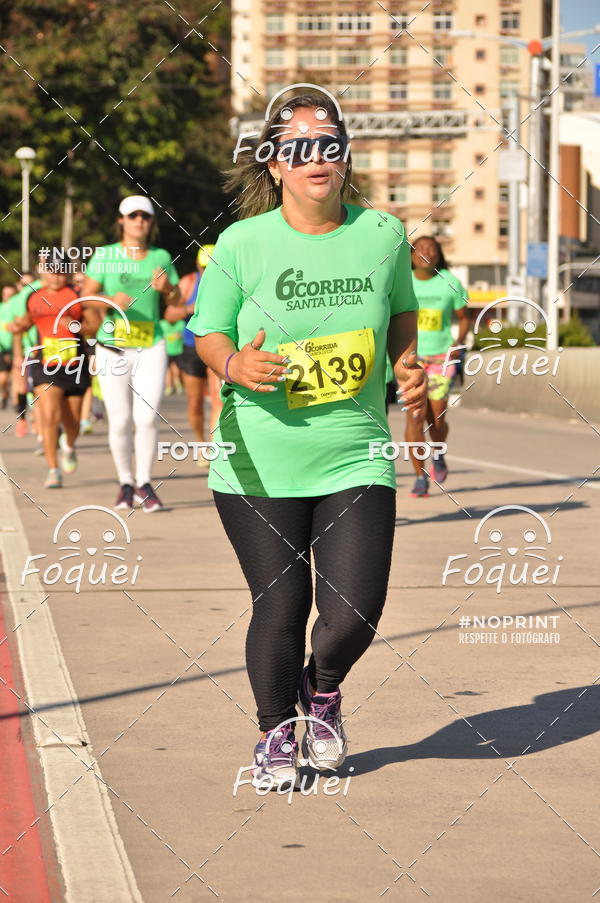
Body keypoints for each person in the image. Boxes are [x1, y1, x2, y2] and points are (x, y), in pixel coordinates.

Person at [189, 92, 427, 789]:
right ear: (275, 161)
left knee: (355, 611)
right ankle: (273, 732)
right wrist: (233, 363)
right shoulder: (242, 243)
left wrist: (408, 367)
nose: (315, 156)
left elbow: (402, 315)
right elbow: (207, 332)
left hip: (356, 450)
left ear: (345, 155)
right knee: (283, 605)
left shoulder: (382, 234)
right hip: (257, 458)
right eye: (297, 146)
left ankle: (321, 692)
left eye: (328, 142)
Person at [82, 195, 185, 511]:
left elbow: (177, 300)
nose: (139, 221)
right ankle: (125, 483)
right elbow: (85, 298)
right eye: (133, 215)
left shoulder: (161, 255)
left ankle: (144, 483)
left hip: (150, 345)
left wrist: (166, 288)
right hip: (112, 348)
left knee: (147, 416)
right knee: (120, 420)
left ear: (151, 223)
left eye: (145, 216)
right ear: (121, 221)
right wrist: (110, 300)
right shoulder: (105, 256)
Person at [9, 262, 89, 488]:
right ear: (43, 273)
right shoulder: (34, 296)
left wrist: (76, 326)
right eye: (52, 272)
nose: (56, 277)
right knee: (49, 416)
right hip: (45, 363)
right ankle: (53, 470)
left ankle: (70, 445)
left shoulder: (78, 295)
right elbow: (26, 322)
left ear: (68, 273)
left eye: (61, 272)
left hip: (74, 364)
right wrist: (19, 331)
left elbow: (94, 325)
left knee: (72, 423)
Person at [404, 235, 469, 498]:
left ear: (440, 255)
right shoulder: (403, 282)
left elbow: (464, 318)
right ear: (410, 256)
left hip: (441, 358)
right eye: (419, 248)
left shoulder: (450, 283)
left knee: (437, 419)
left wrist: (457, 343)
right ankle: (420, 476)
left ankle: (438, 453)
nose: (426, 252)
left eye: (432, 248)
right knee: (414, 417)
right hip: (410, 360)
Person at [177, 246, 223, 452]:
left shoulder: (228, 282)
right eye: (205, 267)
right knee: (195, 403)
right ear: (197, 264)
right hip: (191, 346)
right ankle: (200, 443)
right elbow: (169, 313)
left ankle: (215, 451)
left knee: (217, 400)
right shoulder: (188, 283)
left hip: (217, 345)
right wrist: (190, 308)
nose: (208, 272)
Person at [0, 287, 16, 408]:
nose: (8, 297)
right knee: (3, 376)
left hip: (15, 347)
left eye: (11, 295)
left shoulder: (17, 309)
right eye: (6, 294)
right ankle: (4, 392)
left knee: (15, 376)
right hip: (1, 348)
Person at [161, 315, 184, 396]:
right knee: (167, 370)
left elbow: (185, 336)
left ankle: (177, 384)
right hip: (166, 351)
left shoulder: (181, 323)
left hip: (178, 351)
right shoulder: (162, 324)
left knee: (176, 370)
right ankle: (169, 387)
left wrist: (180, 336)